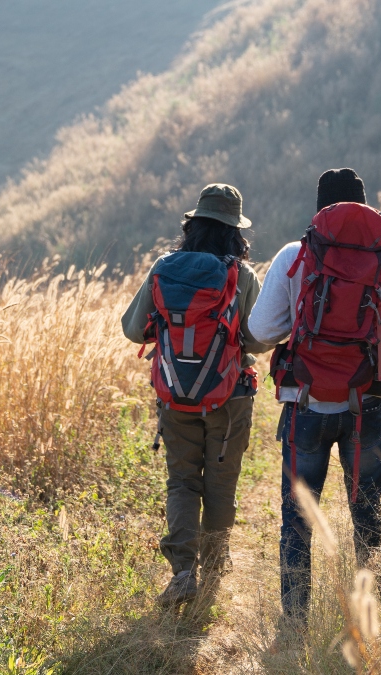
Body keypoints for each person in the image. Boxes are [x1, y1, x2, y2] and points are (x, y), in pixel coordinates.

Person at [248, 168, 381, 627]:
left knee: (298, 519)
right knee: (368, 513)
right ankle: (373, 615)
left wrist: (300, 319)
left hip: (305, 404)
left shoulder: (293, 257)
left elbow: (261, 330)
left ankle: (295, 624)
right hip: (365, 408)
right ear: (366, 207)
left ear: (319, 212)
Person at [122, 183, 271, 607]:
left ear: (193, 225)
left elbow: (133, 330)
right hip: (229, 397)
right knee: (221, 485)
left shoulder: (163, 267)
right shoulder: (241, 275)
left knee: (183, 482)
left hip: (175, 397)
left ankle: (183, 572)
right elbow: (259, 341)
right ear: (235, 232)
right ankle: (215, 573)